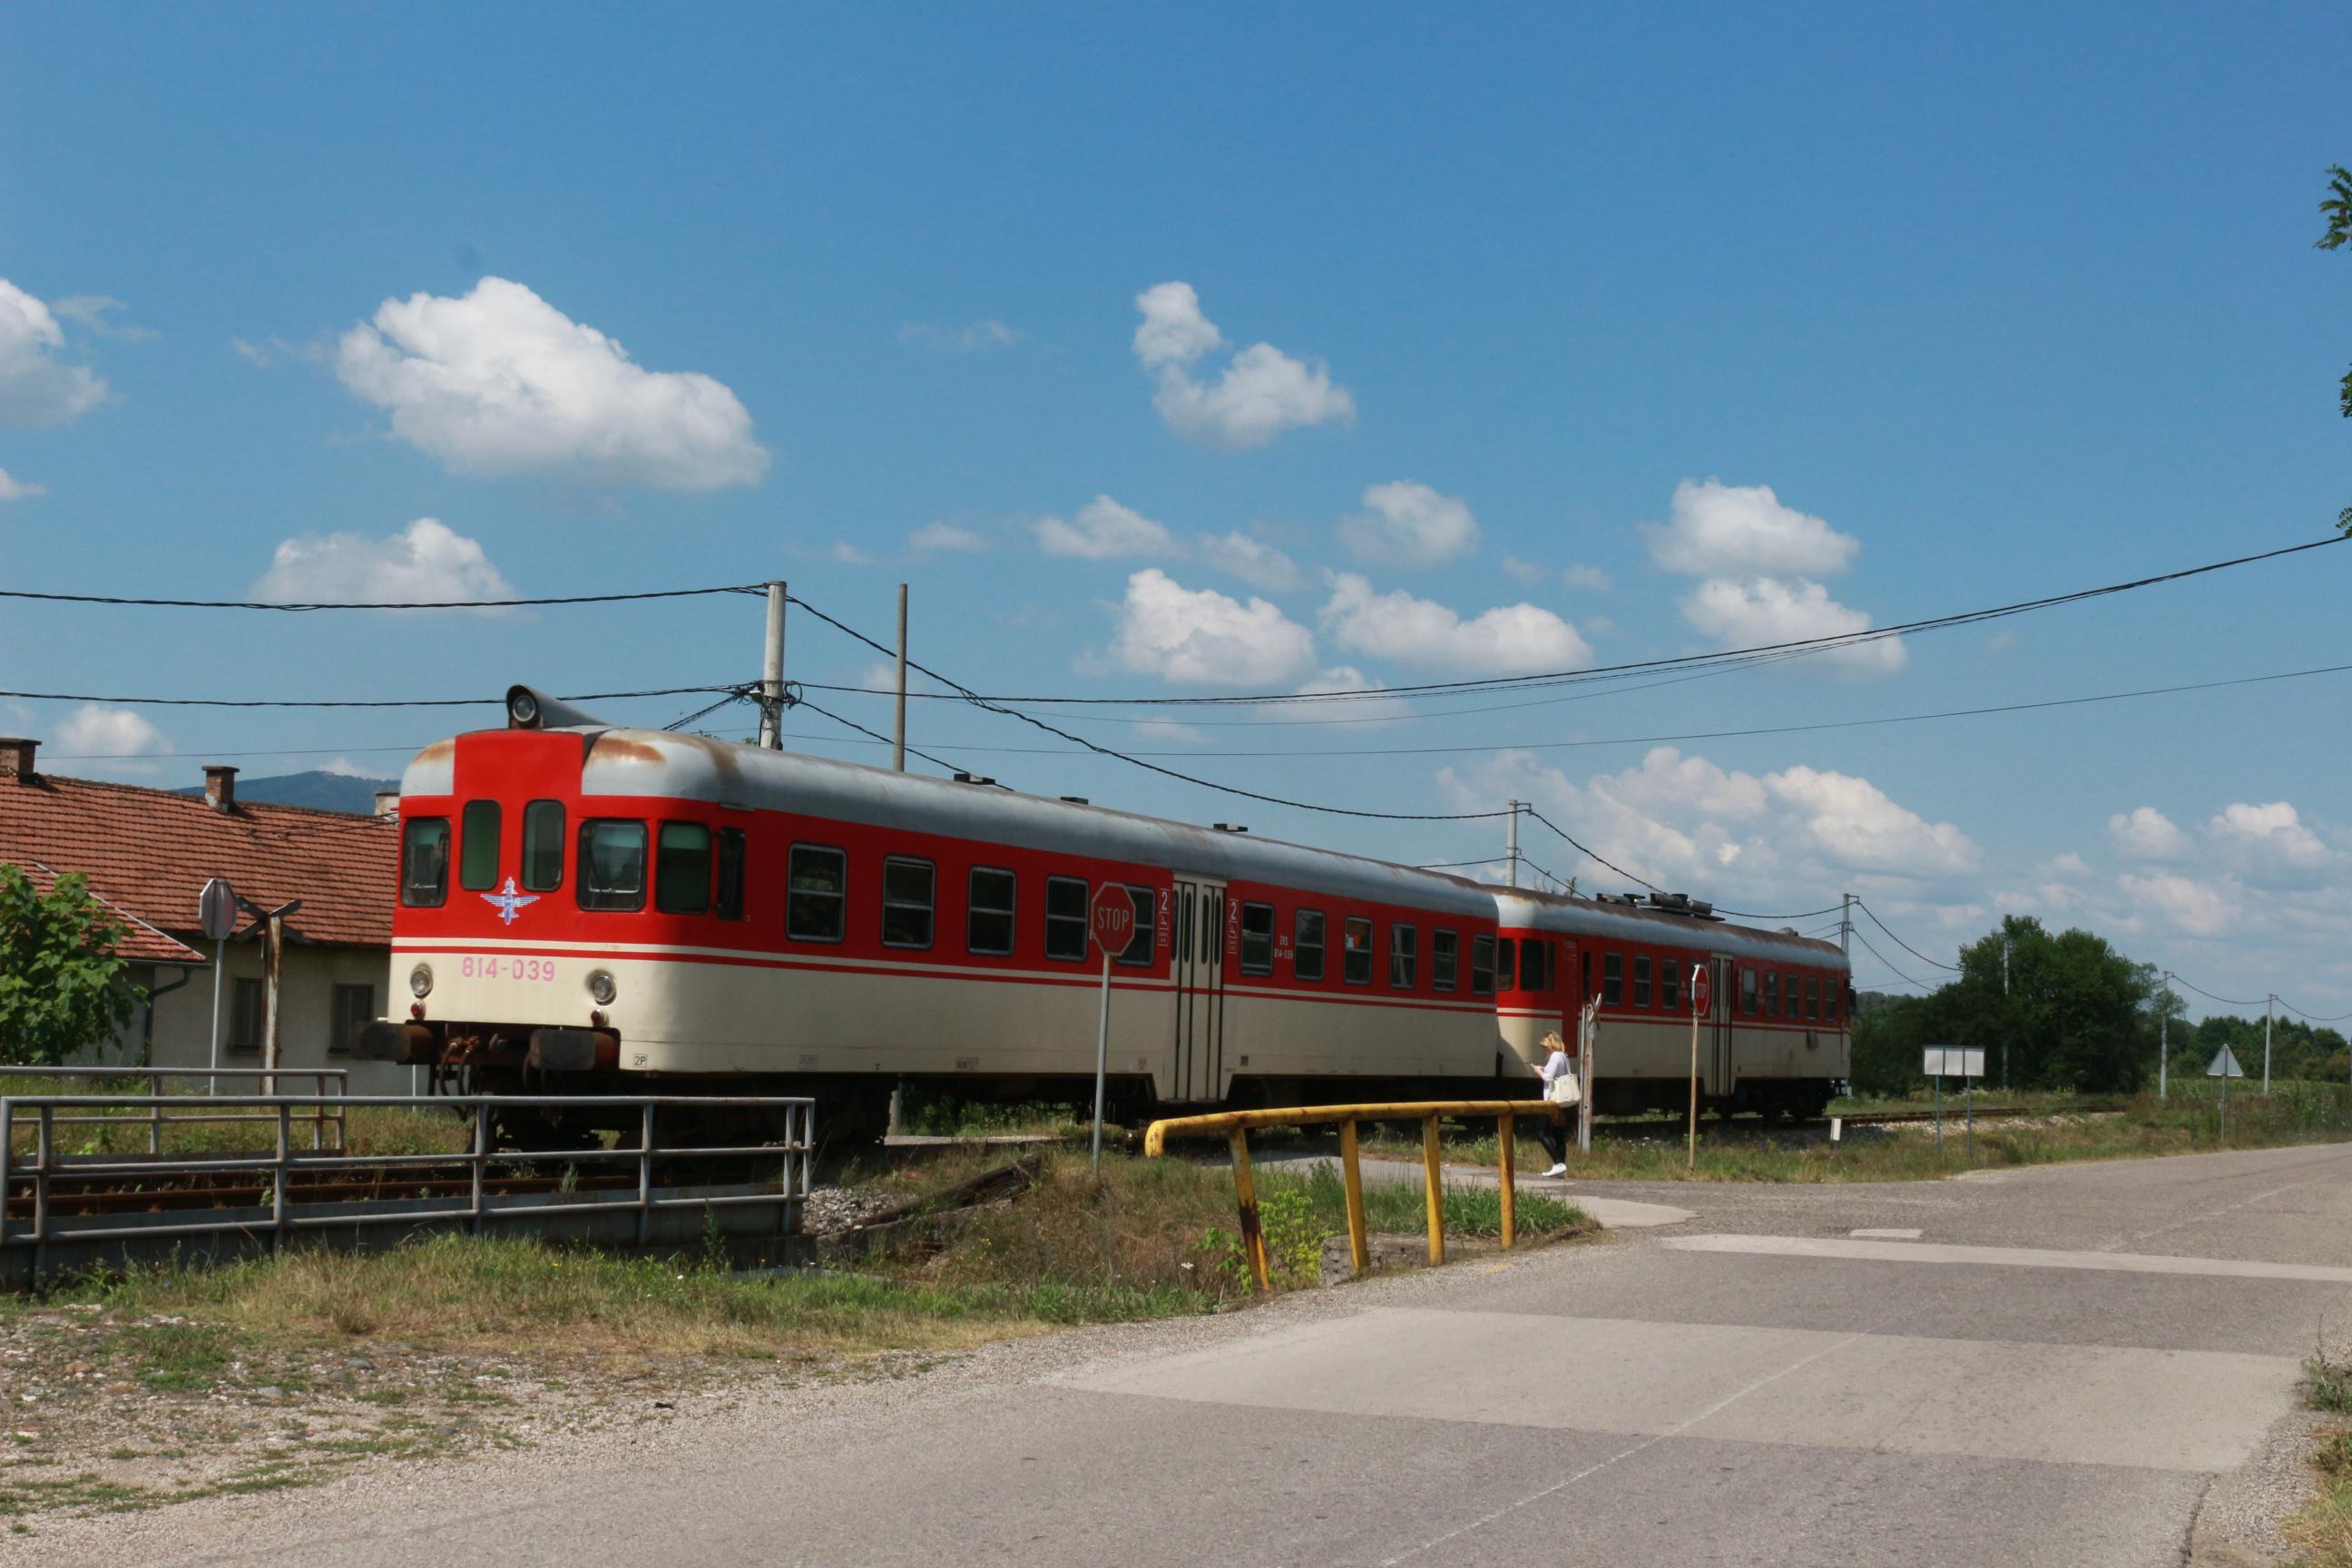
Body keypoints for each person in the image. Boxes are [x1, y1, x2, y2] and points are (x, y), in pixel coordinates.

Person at [1532, 1031, 1573, 1177]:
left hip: (1551, 1101)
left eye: (1545, 1046)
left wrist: (1538, 1071)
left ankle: (1558, 1163)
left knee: (1541, 1133)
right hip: (1561, 1101)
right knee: (1558, 1135)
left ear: (1551, 1044)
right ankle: (1560, 1169)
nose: (1544, 1050)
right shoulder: (1564, 1057)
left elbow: (1548, 1078)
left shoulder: (1555, 1056)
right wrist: (1545, 1070)